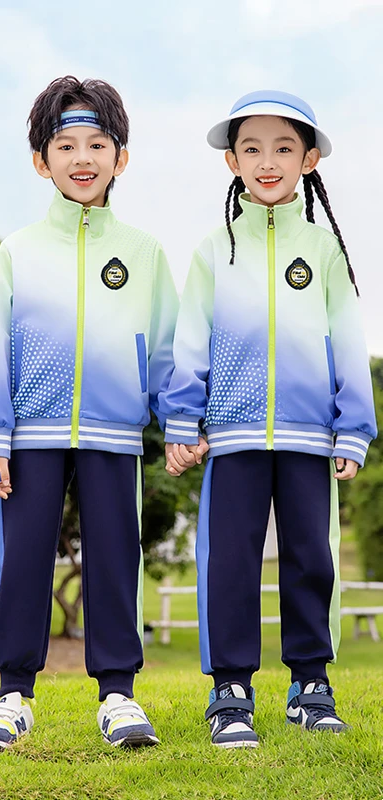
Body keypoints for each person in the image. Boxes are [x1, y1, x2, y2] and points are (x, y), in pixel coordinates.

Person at [0, 76, 179, 753]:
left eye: (97, 143)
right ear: (42, 161)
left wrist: (176, 419)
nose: (82, 158)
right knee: (22, 559)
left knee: (116, 558)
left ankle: (118, 695)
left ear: (121, 157)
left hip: (114, 433)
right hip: (30, 431)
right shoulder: (19, 250)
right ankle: (12, 696)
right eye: (66, 145)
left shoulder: (144, 253)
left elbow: (167, 347)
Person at [162, 91, 377, 748]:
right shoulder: (213, 251)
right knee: (229, 560)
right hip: (232, 434)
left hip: (312, 435)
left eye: (283, 147)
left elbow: (346, 337)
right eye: (251, 148)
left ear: (309, 160)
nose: (267, 160)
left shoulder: (327, 250)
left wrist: (355, 427)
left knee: (313, 558)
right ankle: (230, 689)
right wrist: (181, 420)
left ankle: (310, 682)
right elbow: (190, 339)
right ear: (232, 160)